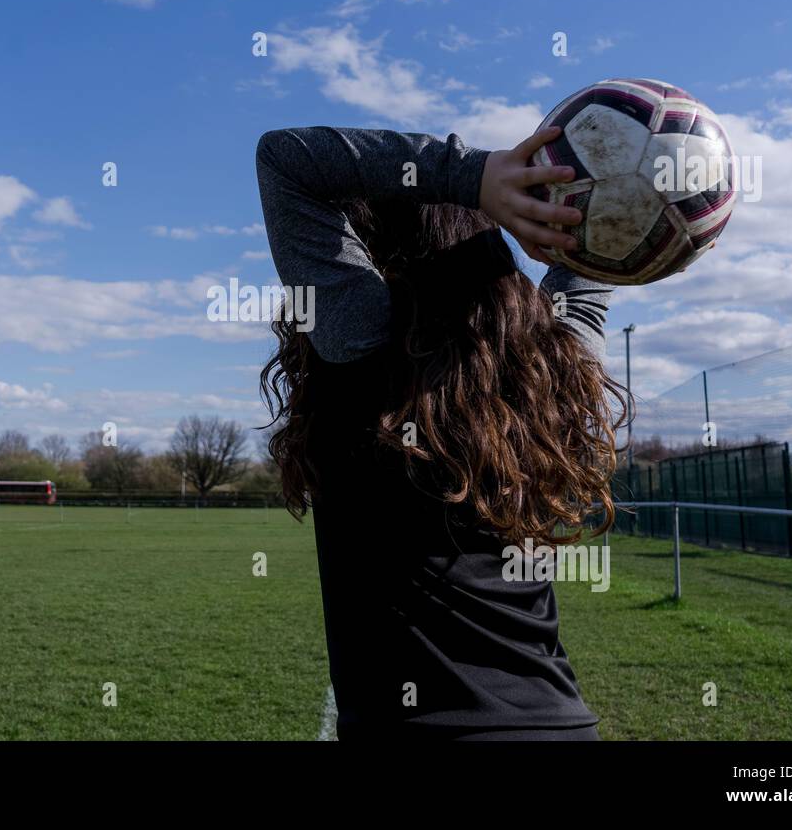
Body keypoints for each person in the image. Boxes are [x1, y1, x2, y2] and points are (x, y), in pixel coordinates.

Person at [257, 125, 629, 740]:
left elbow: (287, 158)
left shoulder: (360, 341)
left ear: (374, 251)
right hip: (563, 727)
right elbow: (600, 251)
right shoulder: (555, 367)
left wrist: (477, 176)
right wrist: (592, 197)